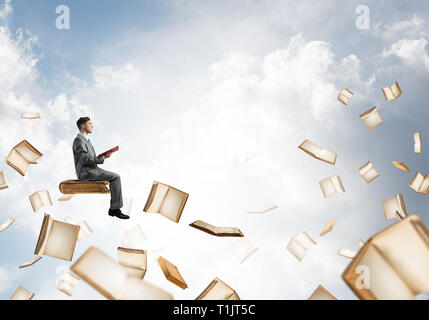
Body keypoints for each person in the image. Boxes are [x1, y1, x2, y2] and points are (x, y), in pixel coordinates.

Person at [72, 117, 129, 219]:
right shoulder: (79, 141)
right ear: (83, 126)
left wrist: (103, 156)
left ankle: (114, 209)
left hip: (92, 169)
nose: (92, 125)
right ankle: (114, 209)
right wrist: (101, 158)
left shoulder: (86, 140)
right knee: (115, 177)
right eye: (89, 123)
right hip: (86, 172)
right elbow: (85, 159)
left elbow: (88, 158)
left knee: (115, 177)